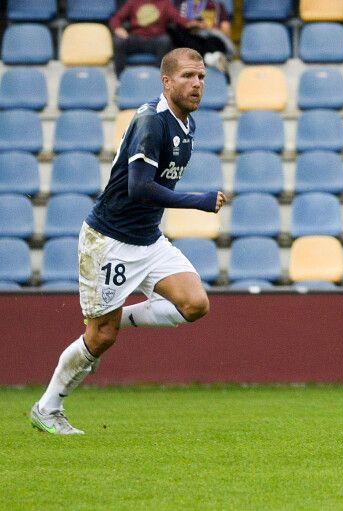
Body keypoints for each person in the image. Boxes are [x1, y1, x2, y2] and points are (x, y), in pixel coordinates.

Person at [29, 49, 226, 435]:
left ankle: (121, 315)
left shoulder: (187, 124)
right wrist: (197, 202)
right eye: (188, 76)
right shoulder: (152, 122)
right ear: (166, 82)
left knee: (194, 303)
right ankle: (47, 406)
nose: (197, 84)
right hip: (109, 240)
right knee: (100, 337)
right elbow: (138, 188)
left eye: (201, 77)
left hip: (147, 240)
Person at [109, 0, 201, 76]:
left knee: (165, 41)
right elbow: (116, 18)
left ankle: (159, 76)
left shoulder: (165, 3)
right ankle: (120, 78)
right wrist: (118, 28)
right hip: (135, 38)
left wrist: (192, 24)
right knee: (118, 42)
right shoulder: (133, 2)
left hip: (155, 40)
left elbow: (178, 18)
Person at [173, 0, 235, 74]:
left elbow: (225, 31)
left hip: (212, 38)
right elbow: (178, 23)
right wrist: (195, 24)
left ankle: (213, 63)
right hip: (193, 39)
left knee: (211, 41)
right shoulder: (182, 5)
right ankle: (208, 58)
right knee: (176, 32)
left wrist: (209, 27)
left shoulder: (218, 6)